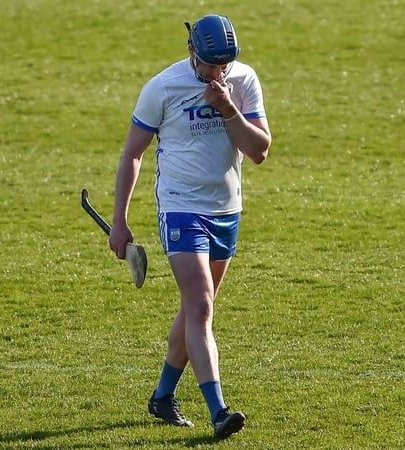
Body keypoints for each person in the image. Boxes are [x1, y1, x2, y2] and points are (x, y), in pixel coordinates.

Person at [108, 14, 272, 439]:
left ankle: (162, 395)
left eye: (225, 65)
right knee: (200, 308)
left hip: (226, 210)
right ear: (191, 53)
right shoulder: (162, 87)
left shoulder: (243, 80)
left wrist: (228, 106)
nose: (218, 73)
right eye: (210, 65)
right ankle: (220, 411)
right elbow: (132, 154)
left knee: (195, 311)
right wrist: (120, 221)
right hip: (181, 209)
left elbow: (259, 151)